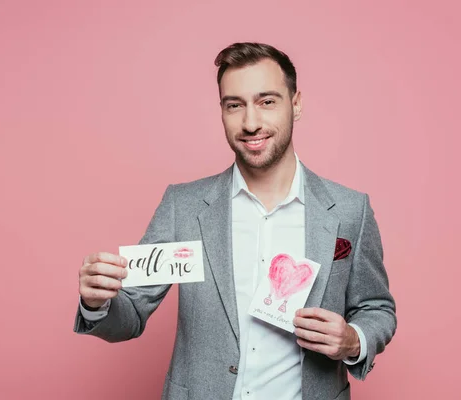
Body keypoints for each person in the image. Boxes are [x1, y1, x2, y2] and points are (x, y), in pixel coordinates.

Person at [74, 42, 396, 400]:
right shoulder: (184, 206)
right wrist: (97, 302)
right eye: (234, 105)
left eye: (267, 101)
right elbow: (131, 315)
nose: (251, 122)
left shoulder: (350, 210)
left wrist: (353, 340)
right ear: (222, 111)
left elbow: (376, 307)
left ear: (296, 104)